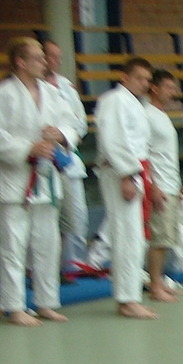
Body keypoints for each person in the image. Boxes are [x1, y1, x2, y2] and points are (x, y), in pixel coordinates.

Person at [0, 37, 79, 326]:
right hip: (15, 182)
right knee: (13, 246)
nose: (44, 62)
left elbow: (72, 124)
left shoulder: (52, 92)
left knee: (48, 245)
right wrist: (28, 148)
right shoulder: (5, 94)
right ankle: (14, 306)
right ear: (20, 62)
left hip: (46, 181)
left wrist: (61, 134)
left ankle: (46, 302)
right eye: (37, 58)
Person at [94, 56, 157, 319]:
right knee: (125, 236)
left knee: (134, 237)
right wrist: (126, 175)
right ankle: (126, 299)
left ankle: (130, 297)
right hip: (120, 172)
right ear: (125, 77)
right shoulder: (114, 100)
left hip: (134, 170)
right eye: (139, 78)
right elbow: (113, 140)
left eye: (147, 80)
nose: (144, 83)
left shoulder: (135, 103)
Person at [42, 40, 90, 276]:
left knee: (76, 215)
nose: (55, 61)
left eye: (58, 57)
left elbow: (79, 123)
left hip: (67, 158)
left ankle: (72, 265)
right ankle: (39, 269)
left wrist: (64, 136)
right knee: (45, 220)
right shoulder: (24, 88)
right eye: (50, 56)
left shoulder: (66, 87)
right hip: (41, 159)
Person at [143, 69, 183, 303]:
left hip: (171, 181)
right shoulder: (147, 114)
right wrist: (154, 187)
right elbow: (145, 153)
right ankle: (154, 286)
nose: (172, 92)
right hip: (159, 183)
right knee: (159, 239)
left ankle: (159, 282)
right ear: (155, 88)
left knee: (167, 238)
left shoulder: (162, 115)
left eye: (173, 88)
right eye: (168, 87)